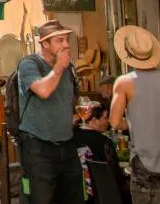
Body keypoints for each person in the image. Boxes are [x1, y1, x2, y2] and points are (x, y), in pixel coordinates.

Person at [108, 26, 160, 204]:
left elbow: (114, 122)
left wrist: (134, 123)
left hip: (146, 159)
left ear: (128, 55)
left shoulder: (125, 82)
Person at [16, 20, 82, 204]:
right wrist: (59, 66)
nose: (66, 45)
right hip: (38, 147)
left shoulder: (69, 68)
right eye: (60, 40)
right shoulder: (29, 64)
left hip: (67, 145)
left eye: (67, 39)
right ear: (44, 43)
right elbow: (43, 91)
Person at [73, 102, 128, 204]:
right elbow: (115, 174)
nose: (108, 122)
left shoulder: (72, 135)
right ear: (93, 120)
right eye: (105, 118)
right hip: (103, 194)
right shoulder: (104, 142)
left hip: (77, 192)